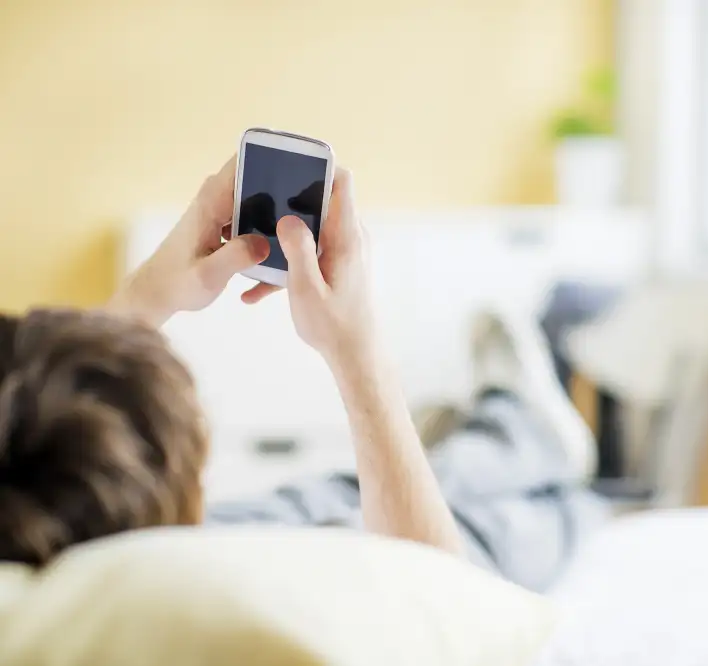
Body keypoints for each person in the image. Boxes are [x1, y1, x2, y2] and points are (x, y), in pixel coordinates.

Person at [0, 158, 462, 566]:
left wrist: (142, 301)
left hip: (288, 513)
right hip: (385, 522)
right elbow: (447, 607)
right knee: (488, 458)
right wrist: (360, 355)